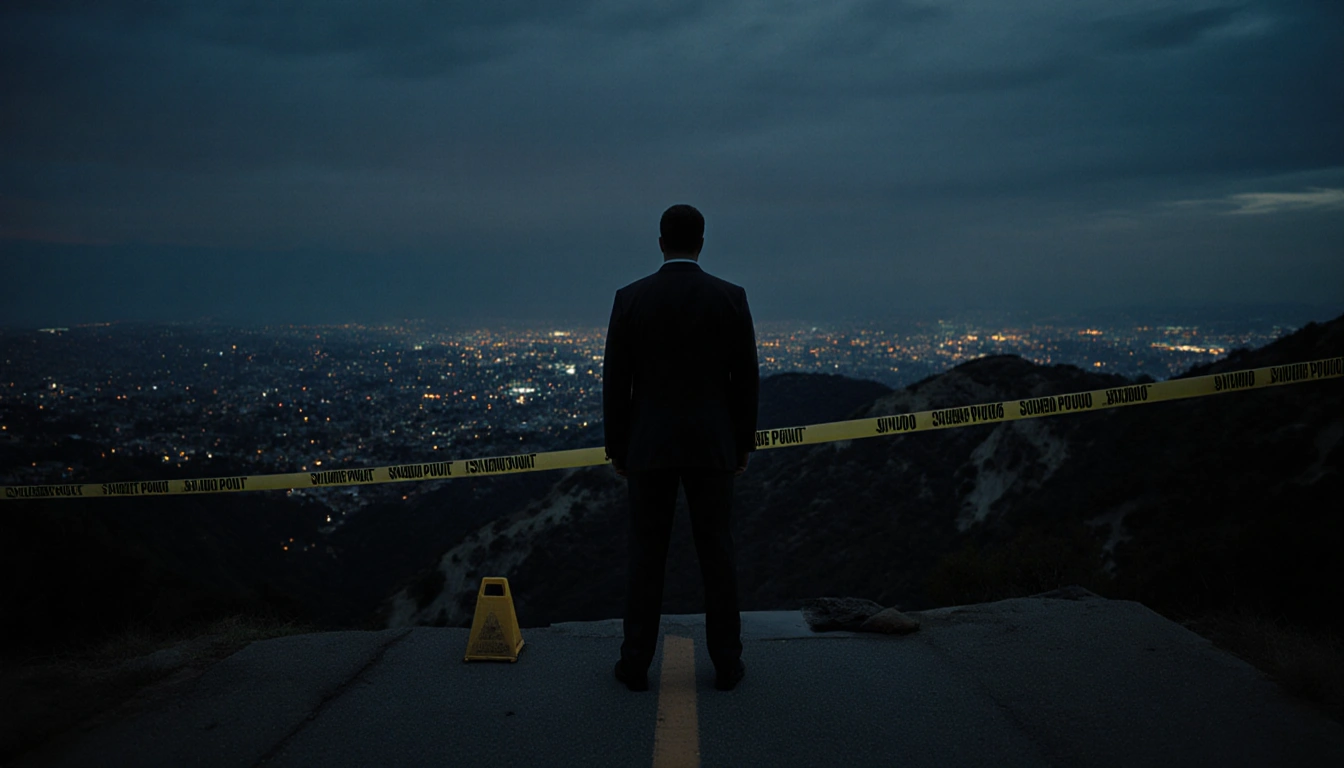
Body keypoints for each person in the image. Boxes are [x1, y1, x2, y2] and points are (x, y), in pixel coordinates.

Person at [603, 204, 760, 693]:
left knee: (647, 556)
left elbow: (616, 383)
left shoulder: (630, 300)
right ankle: (727, 663)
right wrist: (740, 445)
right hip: (712, 446)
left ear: (660, 242)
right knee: (717, 554)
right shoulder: (730, 298)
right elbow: (746, 381)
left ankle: (634, 664)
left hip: (649, 446)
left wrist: (618, 448)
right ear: (702, 241)